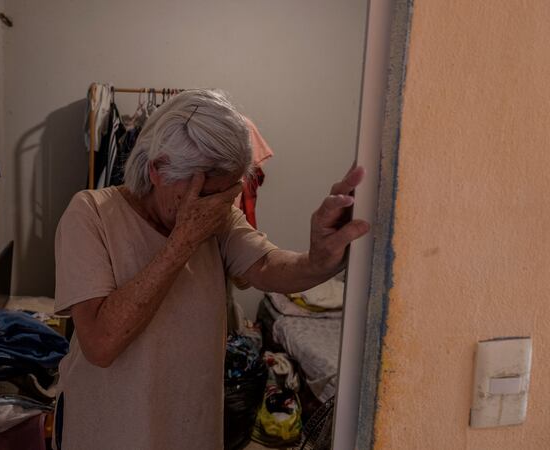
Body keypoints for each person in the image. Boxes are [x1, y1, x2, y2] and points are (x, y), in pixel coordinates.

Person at [53, 89, 369, 450]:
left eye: (227, 194)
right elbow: (101, 344)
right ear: (157, 169)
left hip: (192, 428)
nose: (219, 206)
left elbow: (266, 265)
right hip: (109, 430)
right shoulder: (91, 213)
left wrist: (319, 257)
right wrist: (182, 242)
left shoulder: (218, 217)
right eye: (207, 195)